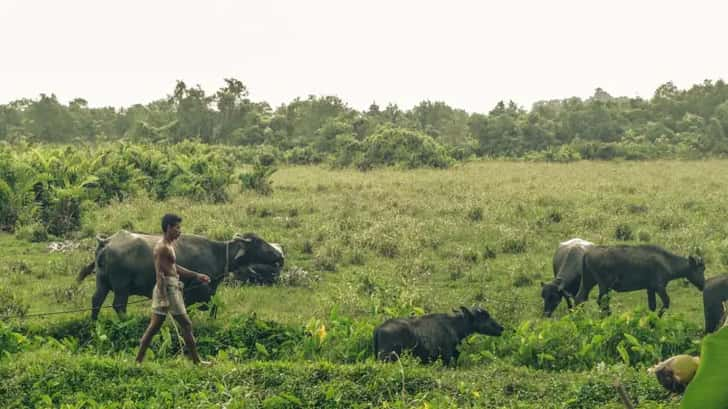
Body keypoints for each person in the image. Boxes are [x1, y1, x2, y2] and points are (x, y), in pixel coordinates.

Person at [135, 213, 212, 365]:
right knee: (186, 324)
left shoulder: (169, 245)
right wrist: (163, 296)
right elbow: (160, 274)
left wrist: (196, 275)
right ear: (169, 228)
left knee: (154, 327)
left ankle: (138, 361)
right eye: (177, 228)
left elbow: (173, 267)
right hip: (168, 289)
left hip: (169, 287)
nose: (179, 231)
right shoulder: (162, 247)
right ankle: (196, 361)